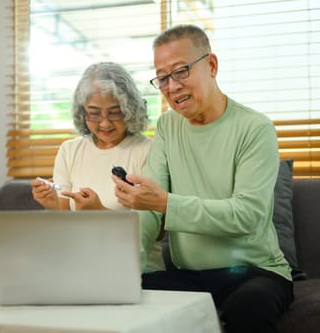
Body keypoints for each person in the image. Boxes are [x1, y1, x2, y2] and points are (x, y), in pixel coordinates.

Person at [112, 24, 293, 332]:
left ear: (211, 65)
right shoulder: (168, 127)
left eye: (181, 71)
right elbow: (149, 211)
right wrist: (129, 265)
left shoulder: (255, 128)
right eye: (163, 77)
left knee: (250, 308)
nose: (172, 86)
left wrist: (167, 203)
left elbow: (247, 216)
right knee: (124, 298)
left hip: (254, 272)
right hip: (189, 276)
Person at [31, 61, 164, 271]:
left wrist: (99, 212)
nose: (104, 123)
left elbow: (156, 231)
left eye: (114, 112)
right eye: (94, 113)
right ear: (82, 112)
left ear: (130, 109)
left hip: (138, 271)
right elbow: (65, 223)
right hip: (81, 266)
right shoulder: (69, 151)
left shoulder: (149, 151)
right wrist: (52, 204)